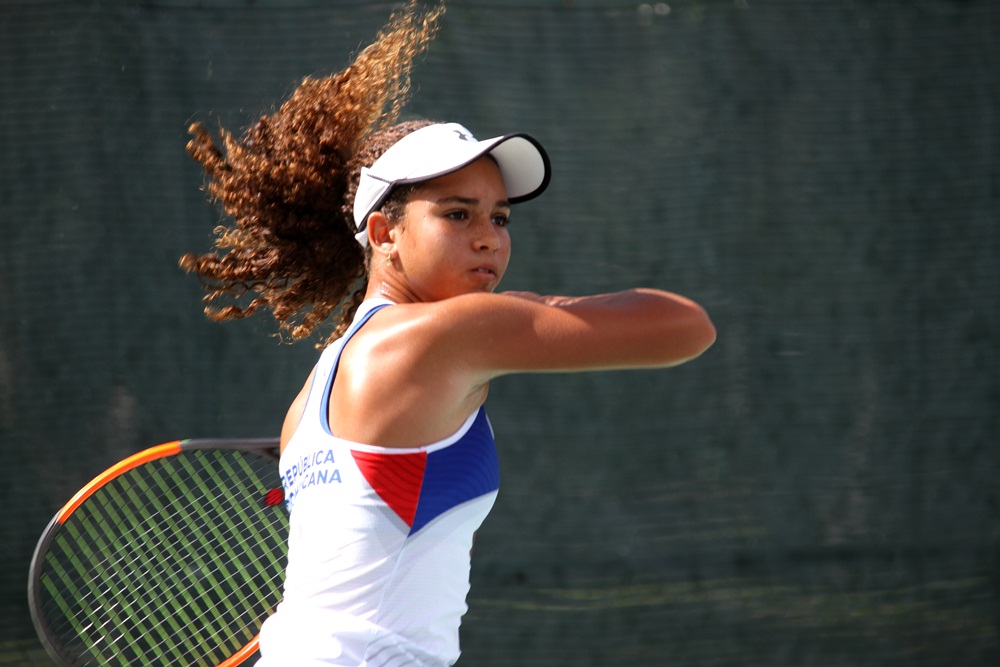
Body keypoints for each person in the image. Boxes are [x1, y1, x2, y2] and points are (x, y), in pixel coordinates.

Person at [181, 3, 715, 665]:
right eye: (458, 214)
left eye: (500, 217)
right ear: (385, 233)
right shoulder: (443, 336)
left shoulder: (312, 396)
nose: (489, 236)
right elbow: (685, 325)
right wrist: (534, 306)